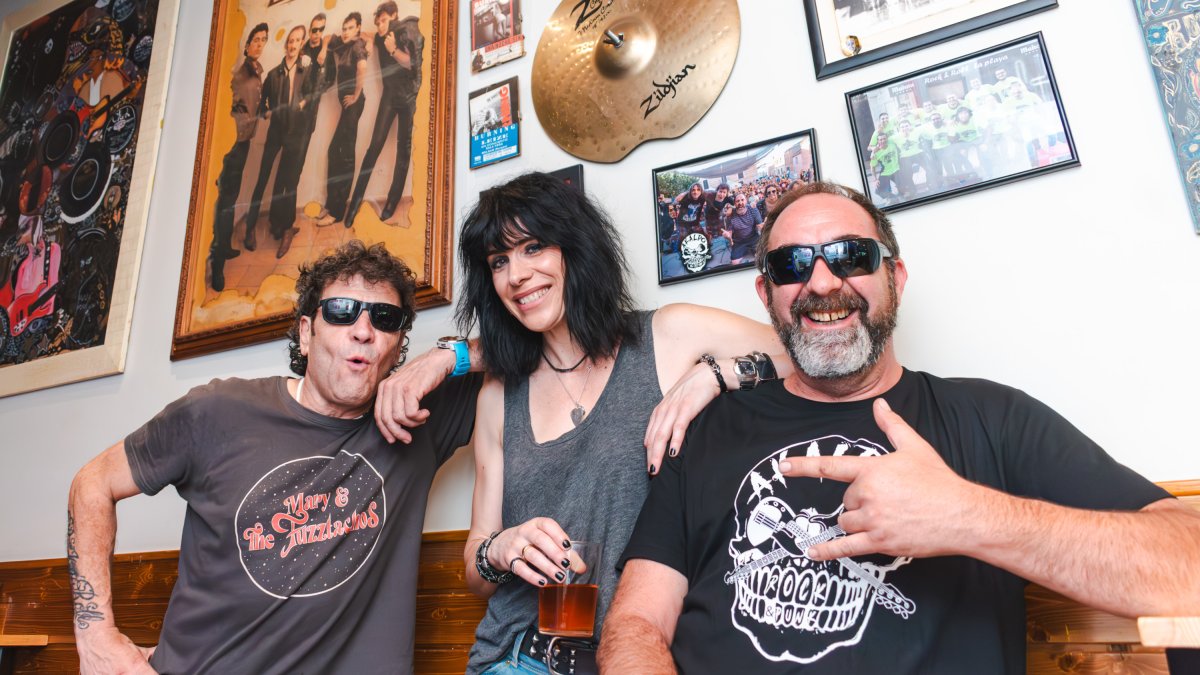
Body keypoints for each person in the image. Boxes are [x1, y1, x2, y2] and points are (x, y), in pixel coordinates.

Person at [598, 182, 1200, 673]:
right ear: (766, 293)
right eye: (792, 265)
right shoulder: (707, 430)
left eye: (851, 256)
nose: (822, 283)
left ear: (896, 278)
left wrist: (966, 515)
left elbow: (1190, 568)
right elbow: (635, 624)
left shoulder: (989, 418)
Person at [373, 172, 786, 674]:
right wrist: (499, 549)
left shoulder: (665, 337)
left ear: (575, 248)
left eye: (533, 247)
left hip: (637, 658)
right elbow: (476, 571)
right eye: (499, 261)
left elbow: (802, 354)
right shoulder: (499, 393)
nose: (516, 275)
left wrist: (716, 375)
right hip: (518, 657)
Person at [67, 241, 482, 674]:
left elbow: (526, 340)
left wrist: (446, 357)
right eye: (341, 311)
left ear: (397, 348)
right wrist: (96, 637)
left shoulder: (419, 419)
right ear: (306, 333)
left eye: (385, 318)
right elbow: (93, 482)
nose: (363, 330)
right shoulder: (218, 411)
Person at [344, 2, 423, 227]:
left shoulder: (404, 32)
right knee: (374, 147)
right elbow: (367, 34)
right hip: (389, 96)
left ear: (394, 16)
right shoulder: (381, 36)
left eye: (384, 21)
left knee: (403, 151)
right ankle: (355, 204)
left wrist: (392, 50)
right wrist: (366, 38)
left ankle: (391, 204)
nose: (380, 25)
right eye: (378, 22)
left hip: (408, 97)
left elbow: (413, 64)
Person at [243, 24, 316, 259]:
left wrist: (303, 103)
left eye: (297, 41)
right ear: (286, 45)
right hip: (276, 132)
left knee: (290, 183)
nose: (293, 45)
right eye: (290, 41)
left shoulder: (307, 69)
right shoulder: (273, 74)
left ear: (302, 44)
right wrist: (267, 111)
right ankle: (249, 230)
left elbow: (313, 93)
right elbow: (262, 102)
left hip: (296, 133)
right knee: (262, 179)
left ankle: (287, 229)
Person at [209, 23, 267, 292]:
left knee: (229, 200)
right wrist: (243, 126)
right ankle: (217, 265)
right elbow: (230, 110)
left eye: (263, 40)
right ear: (246, 45)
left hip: (243, 142)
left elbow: (253, 102)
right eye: (256, 40)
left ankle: (224, 246)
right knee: (224, 205)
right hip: (233, 144)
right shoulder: (239, 75)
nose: (260, 44)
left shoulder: (256, 70)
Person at [315, 13, 368, 228]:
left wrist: (356, 95)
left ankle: (337, 212)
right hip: (347, 108)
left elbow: (362, 68)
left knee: (346, 157)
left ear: (358, 29)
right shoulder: (343, 44)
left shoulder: (357, 46)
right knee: (333, 152)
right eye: (344, 28)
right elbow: (328, 38)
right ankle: (331, 204)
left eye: (350, 28)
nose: (346, 32)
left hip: (354, 105)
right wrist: (322, 49)